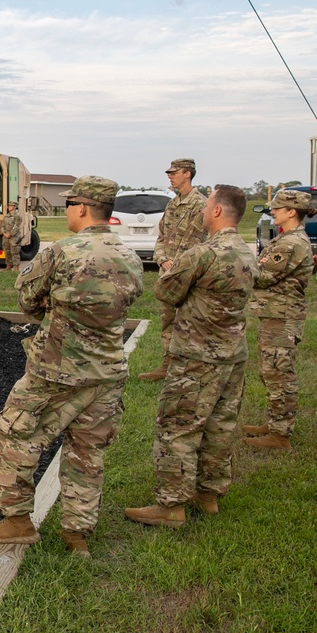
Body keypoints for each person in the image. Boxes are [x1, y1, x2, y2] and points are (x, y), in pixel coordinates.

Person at [0, 176, 143, 558]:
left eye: (69, 204)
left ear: (82, 208)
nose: (67, 210)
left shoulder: (62, 252)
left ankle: (16, 520)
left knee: (15, 434)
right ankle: (77, 534)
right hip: (108, 373)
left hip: (57, 371)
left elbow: (29, 298)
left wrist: (54, 310)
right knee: (88, 453)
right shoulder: (129, 256)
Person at [126, 185, 258, 527]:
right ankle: (209, 493)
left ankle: (171, 506)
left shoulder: (202, 254)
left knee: (178, 427)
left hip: (197, 355)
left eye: (207, 204)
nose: (202, 210)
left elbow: (165, 291)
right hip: (233, 353)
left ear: (216, 211)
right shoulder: (247, 252)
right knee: (219, 424)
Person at [243, 190, 315, 450]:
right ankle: (275, 424)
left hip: (282, 317)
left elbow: (263, 276)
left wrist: (247, 266)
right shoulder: (289, 239)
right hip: (275, 315)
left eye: (277, 208)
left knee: (279, 376)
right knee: (271, 372)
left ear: (291, 212)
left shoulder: (291, 243)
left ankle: (280, 435)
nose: (272, 212)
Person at [138, 158, 208, 381]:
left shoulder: (200, 204)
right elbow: (161, 237)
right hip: (168, 274)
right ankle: (168, 366)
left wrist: (177, 265)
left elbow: (196, 242)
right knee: (168, 322)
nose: (170, 175)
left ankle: (191, 369)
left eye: (174, 172)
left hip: (187, 276)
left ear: (187, 174)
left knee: (190, 322)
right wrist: (161, 259)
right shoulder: (172, 203)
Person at [0, 201, 24, 270]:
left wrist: (10, 234)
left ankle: (16, 267)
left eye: (11, 205)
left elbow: (16, 226)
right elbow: (3, 226)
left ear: (15, 207)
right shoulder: (6, 216)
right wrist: (4, 233)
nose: (9, 207)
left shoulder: (17, 216)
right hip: (6, 237)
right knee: (7, 251)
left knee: (15, 252)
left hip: (14, 237)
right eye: (8, 205)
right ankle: (8, 266)